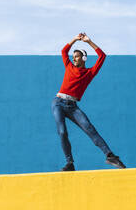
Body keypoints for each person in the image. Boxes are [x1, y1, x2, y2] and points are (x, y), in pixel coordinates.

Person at [51, 33, 126, 171]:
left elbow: (102, 56)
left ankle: (110, 156)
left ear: (84, 58)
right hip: (58, 103)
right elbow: (63, 51)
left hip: (72, 106)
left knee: (89, 128)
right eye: (73, 56)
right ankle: (70, 163)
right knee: (62, 132)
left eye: (77, 56)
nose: (74, 58)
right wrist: (74, 39)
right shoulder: (69, 66)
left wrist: (89, 42)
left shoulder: (89, 73)